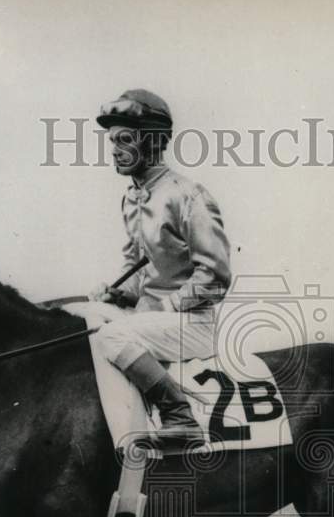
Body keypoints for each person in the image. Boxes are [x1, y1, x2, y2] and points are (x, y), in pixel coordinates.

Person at [91, 89, 232, 448]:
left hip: (192, 324)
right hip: (150, 320)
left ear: (152, 142)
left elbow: (215, 277)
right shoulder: (131, 198)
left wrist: (167, 305)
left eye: (124, 139)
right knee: (88, 321)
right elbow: (137, 266)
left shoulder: (188, 195)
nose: (114, 149)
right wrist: (118, 292)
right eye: (111, 141)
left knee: (111, 337)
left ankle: (180, 418)